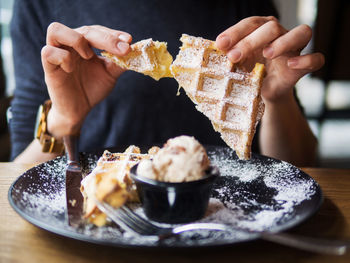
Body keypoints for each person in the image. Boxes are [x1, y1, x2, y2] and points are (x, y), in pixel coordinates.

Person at [9, 0, 324, 166]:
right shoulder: (41, 4)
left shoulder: (241, 3)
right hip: (101, 226)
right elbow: (16, 175)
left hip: (228, 226)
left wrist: (277, 100)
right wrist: (63, 120)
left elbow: (300, 164)